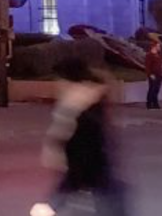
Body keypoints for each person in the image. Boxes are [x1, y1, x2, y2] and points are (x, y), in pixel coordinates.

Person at [31, 58, 131, 216]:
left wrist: (55, 200)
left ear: (69, 81)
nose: (57, 85)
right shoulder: (83, 103)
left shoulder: (78, 110)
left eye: (60, 80)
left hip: (92, 173)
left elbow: (81, 152)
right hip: (96, 174)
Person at [144, 38, 162, 110]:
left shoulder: (158, 55)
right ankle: (149, 103)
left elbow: (160, 64)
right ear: (154, 46)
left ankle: (155, 103)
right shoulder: (149, 55)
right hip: (153, 75)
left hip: (159, 74)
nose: (159, 47)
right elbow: (147, 66)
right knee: (152, 89)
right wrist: (150, 74)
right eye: (158, 46)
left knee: (156, 89)